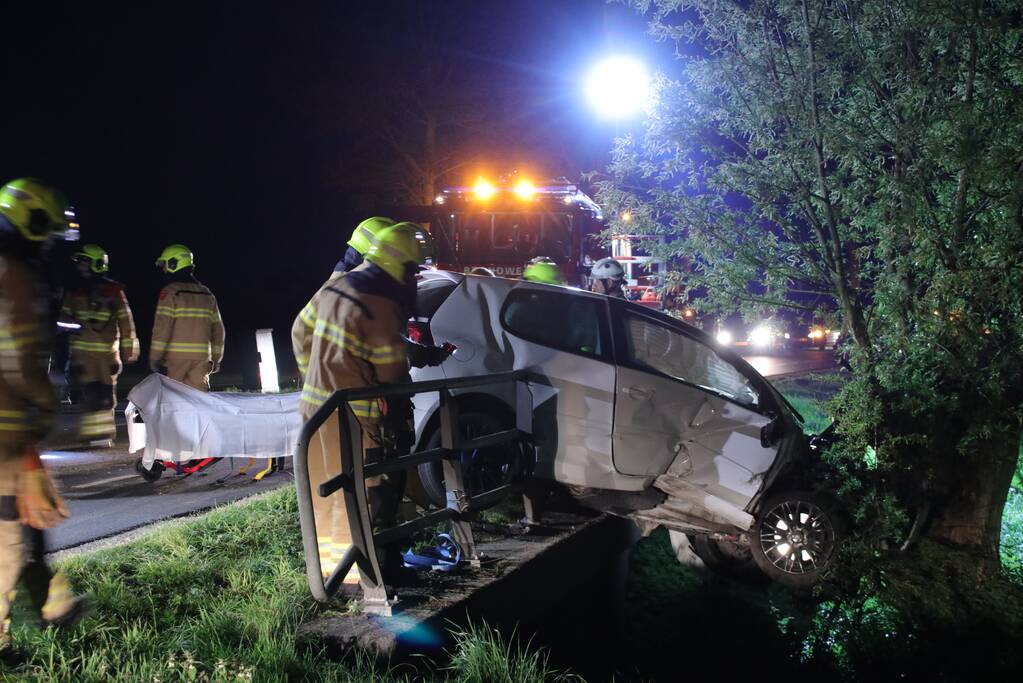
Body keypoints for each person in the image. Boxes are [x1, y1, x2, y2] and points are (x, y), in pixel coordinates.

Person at [295, 222, 448, 586]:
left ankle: (337, 576)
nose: (415, 278)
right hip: (359, 420)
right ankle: (375, 575)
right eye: (414, 269)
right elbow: (391, 369)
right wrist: (394, 410)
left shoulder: (337, 287)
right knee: (372, 493)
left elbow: (300, 333)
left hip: (315, 411)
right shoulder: (382, 304)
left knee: (329, 493)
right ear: (401, 265)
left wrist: (319, 378)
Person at [0, 178, 88, 663]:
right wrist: (44, 403)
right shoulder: (13, 272)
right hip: (7, 430)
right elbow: (19, 357)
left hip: (11, 430)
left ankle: (55, 604)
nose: (49, 242)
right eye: (46, 230)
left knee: (24, 524)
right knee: (11, 529)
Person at [59, 245, 139, 447]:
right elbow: (62, 319)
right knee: (89, 393)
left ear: (97, 264)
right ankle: (91, 435)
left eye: (85, 262)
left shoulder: (114, 292)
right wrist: (72, 326)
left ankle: (103, 436)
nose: (81, 267)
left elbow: (126, 321)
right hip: (83, 354)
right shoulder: (74, 291)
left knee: (104, 395)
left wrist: (130, 349)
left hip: (106, 355)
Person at [150, 244, 225, 391]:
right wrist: (216, 359)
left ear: (173, 264)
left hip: (175, 360)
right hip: (202, 359)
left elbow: (162, 328)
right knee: (199, 401)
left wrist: (155, 357)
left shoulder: (171, 292)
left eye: (165, 265)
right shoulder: (207, 294)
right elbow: (218, 331)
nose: (164, 269)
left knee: (175, 400)